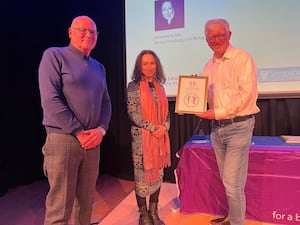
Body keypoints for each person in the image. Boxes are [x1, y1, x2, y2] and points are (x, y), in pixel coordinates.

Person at [38, 15, 112, 225]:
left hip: (92, 143)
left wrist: (101, 130)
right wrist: (79, 132)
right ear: (70, 32)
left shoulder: (99, 67)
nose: (88, 35)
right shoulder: (54, 56)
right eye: (83, 30)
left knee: (86, 206)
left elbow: (106, 103)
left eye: (93, 32)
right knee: (60, 209)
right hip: (63, 140)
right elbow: (51, 100)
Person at [195, 18, 260, 225]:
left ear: (229, 35)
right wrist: (195, 90)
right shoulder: (208, 66)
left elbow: (247, 96)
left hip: (239, 126)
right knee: (227, 181)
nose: (215, 40)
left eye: (220, 35)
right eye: (211, 36)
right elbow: (208, 100)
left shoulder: (243, 59)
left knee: (233, 184)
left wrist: (218, 112)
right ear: (206, 40)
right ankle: (232, 216)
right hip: (217, 129)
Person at [127, 50, 171, 225]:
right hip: (142, 140)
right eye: (145, 63)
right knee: (142, 178)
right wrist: (153, 128)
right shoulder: (133, 86)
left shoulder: (160, 86)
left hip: (160, 138)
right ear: (139, 66)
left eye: (152, 63)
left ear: (156, 65)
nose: (149, 66)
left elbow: (166, 114)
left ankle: (154, 211)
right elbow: (133, 113)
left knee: (158, 175)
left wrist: (164, 127)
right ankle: (143, 214)